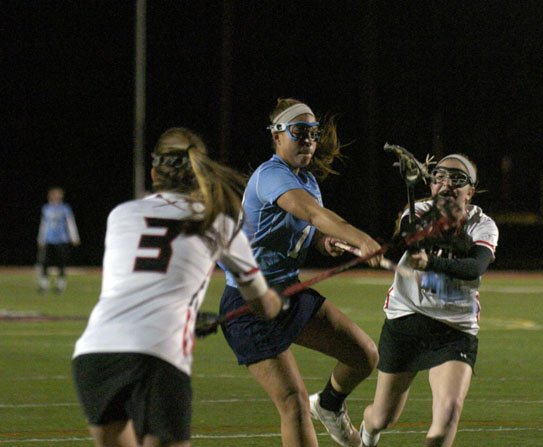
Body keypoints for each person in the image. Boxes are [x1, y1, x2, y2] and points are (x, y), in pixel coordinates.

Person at [72, 127, 284, 447]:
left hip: (94, 353)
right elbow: (262, 306)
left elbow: (140, 286)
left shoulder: (121, 214)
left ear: (155, 173)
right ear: (201, 175)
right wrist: (280, 302)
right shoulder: (217, 220)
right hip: (159, 353)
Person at [218, 98, 381, 447]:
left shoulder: (305, 179)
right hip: (250, 306)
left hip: (288, 293)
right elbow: (313, 215)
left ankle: (329, 405)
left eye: (313, 133)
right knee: (292, 403)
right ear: (277, 136)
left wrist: (326, 244)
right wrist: (359, 238)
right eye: (299, 131)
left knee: (364, 356)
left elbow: (307, 230)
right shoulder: (271, 174)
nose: (308, 139)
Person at [359, 154, 499, 447]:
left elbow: (475, 267)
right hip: (407, 318)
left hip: (454, 329)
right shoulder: (418, 210)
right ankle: (368, 432)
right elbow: (414, 232)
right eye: (439, 177)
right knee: (382, 417)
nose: (447, 184)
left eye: (457, 180)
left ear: (471, 191)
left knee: (447, 416)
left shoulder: (483, 225)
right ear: (430, 184)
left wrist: (432, 263)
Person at [37, 186, 80, 293]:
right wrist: (41, 238)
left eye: (57, 195)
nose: (56, 197)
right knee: (45, 263)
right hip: (48, 239)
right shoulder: (46, 208)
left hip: (62, 239)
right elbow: (43, 224)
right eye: (53, 195)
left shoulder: (65, 208)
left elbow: (70, 222)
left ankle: (60, 286)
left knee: (61, 263)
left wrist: (74, 237)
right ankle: (44, 286)